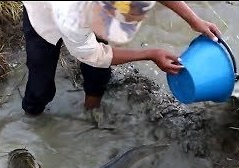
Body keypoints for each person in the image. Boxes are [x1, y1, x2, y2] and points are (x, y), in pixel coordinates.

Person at [21, 1, 221, 116]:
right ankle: (32, 117)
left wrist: (194, 20)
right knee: (40, 87)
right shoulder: (73, 16)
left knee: (98, 75)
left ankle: (91, 112)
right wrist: (149, 54)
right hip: (42, 16)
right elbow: (95, 56)